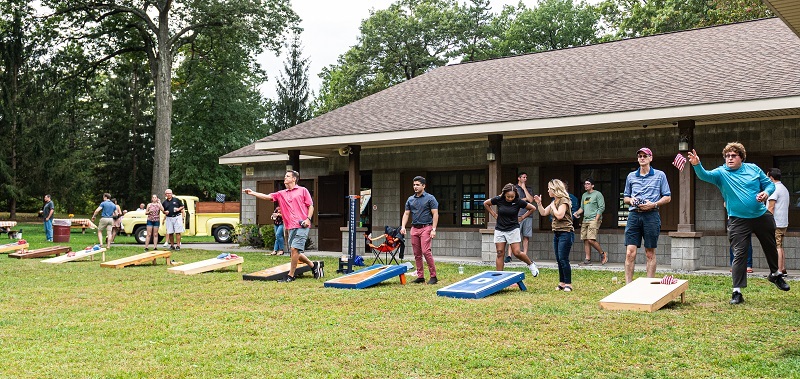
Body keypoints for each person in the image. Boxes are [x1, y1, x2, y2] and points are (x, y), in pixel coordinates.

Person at [688, 143, 789, 305]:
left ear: (741, 157)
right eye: (727, 156)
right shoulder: (721, 173)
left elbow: (769, 184)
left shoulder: (753, 169)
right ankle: (737, 292)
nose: (729, 159)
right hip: (738, 220)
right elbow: (704, 176)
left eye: (733, 156)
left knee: (771, 245)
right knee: (739, 254)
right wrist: (696, 164)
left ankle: (775, 274)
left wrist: (766, 193)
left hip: (761, 215)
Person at [243, 170, 322, 282]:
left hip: (302, 225)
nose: (285, 178)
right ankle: (313, 265)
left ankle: (291, 275)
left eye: (288, 176)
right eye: (285, 176)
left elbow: (311, 206)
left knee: (294, 249)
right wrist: (252, 193)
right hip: (290, 226)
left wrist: (308, 219)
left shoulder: (303, 190)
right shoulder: (281, 194)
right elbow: (267, 196)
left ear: (294, 179)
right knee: (294, 252)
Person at [623, 147, 671, 284]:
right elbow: (626, 197)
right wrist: (631, 200)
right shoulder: (631, 176)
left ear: (651, 158)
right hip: (634, 215)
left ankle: (648, 286)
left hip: (651, 215)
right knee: (629, 252)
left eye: (645, 156)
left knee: (649, 253)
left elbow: (667, 197)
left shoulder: (660, 175)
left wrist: (654, 204)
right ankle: (628, 286)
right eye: (640, 156)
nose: (642, 158)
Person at [483, 183, 539, 276]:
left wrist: (522, 217)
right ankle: (499, 277)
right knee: (500, 252)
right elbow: (486, 203)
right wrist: (494, 215)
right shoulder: (498, 199)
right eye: (508, 196)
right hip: (500, 229)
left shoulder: (518, 201)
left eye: (512, 197)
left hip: (513, 229)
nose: (510, 198)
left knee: (516, 252)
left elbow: (532, 208)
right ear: (504, 194)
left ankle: (531, 264)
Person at [533, 179, 574, 291]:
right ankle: (562, 282)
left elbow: (560, 215)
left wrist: (553, 206)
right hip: (557, 233)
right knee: (559, 259)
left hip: (566, 232)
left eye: (549, 189)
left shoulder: (563, 200)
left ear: (555, 189)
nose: (547, 191)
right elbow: (543, 213)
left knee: (563, 259)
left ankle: (568, 284)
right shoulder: (554, 201)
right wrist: (539, 203)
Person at [400, 176, 440, 285]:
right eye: (414, 185)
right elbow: (406, 213)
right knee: (417, 254)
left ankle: (433, 276)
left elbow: (435, 214)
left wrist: (433, 229)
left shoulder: (430, 198)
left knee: (426, 252)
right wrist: (403, 226)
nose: (415, 187)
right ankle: (420, 276)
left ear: (423, 186)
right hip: (414, 228)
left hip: (426, 228)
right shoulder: (410, 199)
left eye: (417, 185)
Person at [573, 179, 607, 265]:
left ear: (592, 185)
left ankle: (603, 254)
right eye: (585, 184)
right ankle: (587, 260)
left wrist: (596, 219)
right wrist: (577, 213)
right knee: (585, 239)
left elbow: (601, 207)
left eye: (588, 184)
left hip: (594, 219)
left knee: (591, 239)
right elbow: (582, 208)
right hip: (585, 219)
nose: (586, 185)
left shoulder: (597, 194)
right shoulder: (584, 195)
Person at [505, 172, 534, 264]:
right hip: (516, 215)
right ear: (519, 178)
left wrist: (524, 188)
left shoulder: (528, 189)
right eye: (523, 177)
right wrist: (523, 199)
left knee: (526, 236)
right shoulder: (514, 189)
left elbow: (531, 200)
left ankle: (524, 255)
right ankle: (509, 255)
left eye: (526, 177)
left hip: (528, 215)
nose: (525, 179)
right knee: (513, 236)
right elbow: (512, 200)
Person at [767, 168, 790, 275]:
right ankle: (783, 268)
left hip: (775, 222)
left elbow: (771, 207)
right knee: (780, 245)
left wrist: (766, 220)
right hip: (783, 222)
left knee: (777, 246)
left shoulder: (774, 189)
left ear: (771, 177)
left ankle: (778, 271)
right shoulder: (784, 188)